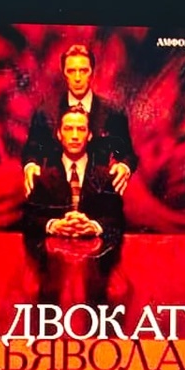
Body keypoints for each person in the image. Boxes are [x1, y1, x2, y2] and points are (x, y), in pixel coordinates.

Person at [23, 107, 124, 307]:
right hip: (51, 271)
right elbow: (28, 218)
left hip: (97, 271)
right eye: (69, 129)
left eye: (81, 129)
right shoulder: (43, 177)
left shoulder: (106, 176)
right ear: (59, 134)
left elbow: (117, 219)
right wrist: (53, 225)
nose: (75, 135)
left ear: (90, 135)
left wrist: (94, 226)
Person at [22, 44, 137, 197]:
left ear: (92, 72)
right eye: (71, 71)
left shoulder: (113, 113)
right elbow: (31, 150)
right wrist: (30, 165)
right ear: (64, 73)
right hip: (56, 196)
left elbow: (128, 154)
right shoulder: (46, 112)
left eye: (83, 71)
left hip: (98, 196)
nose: (77, 78)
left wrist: (124, 166)